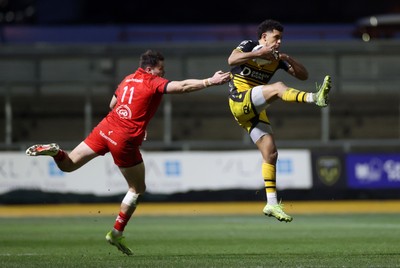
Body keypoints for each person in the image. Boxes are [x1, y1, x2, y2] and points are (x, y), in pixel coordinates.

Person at [25, 49, 231, 256]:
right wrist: (209, 81)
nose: (163, 73)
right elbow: (182, 86)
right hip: (124, 138)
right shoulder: (152, 81)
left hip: (105, 128)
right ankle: (116, 232)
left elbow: (113, 104)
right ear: (150, 69)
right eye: (161, 69)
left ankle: (55, 151)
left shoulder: (128, 79)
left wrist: (136, 117)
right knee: (137, 188)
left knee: (68, 165)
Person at [227, 19, 331, 222]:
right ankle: (314, 98)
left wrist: (287, 58)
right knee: (278, 87)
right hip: (239, 100)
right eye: (276, 38)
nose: (279, 42)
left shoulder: (277, 58)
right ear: (264, 37)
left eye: (281, 39)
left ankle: (271, 203)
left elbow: (303, 75)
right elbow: (231, 60)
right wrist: (258, 53)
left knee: (271, 152)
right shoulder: (249, 45)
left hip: (255, 108)